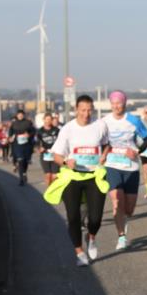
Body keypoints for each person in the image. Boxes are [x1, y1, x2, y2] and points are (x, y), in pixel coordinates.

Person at [47, 95, 110, 266]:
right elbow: (56, 155)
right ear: (76, 110)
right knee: (73, 217)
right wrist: (66, 161)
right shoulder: (68, 129)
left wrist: (104, 155)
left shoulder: (100, 125)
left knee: (96, 218)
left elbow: (106, 144)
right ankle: (79, 252)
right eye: (83, 110)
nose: (86, 113)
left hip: (94, 175)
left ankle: (91, 237)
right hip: (72, 177)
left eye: (89, 110)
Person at [102, 91, 147, 251]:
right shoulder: (104, 121)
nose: (117, 106)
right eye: (114, 103)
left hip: (131, 167)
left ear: (125, 103)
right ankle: (121, 236)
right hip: (112, 166)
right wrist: (102, 155)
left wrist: (137, 151)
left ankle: (124, 220)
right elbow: (100, 141)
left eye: (119, 103)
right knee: (117, 202)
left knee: (129, 209)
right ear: (110, 104)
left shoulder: (133, 120)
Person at [9, 110, 37, 185]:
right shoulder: (14, 123)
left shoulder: (28, 123)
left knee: (25, 160)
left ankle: (24, 172)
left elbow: (33, 131)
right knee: (20, 160)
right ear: (17, 115)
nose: (20, 116)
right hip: (17, 144)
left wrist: (29, 135)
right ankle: (21, 178)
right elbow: (10, 132)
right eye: (19, 114)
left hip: (27, 144)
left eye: (21, 114)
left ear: (24, 115)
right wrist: (10, 137)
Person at [36, 113, 61, 187]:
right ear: (43, 120)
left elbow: (61, 141)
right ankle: (49, 192)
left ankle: (53, 191)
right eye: (46, 119)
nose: (48, 121)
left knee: (54, 176)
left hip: (55, 154)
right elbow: (37, 142)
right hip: (45, 154)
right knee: (48, 175)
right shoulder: (40, 131)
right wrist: (39, 148)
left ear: (52, 120)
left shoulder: (56, 130)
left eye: (50, 119)